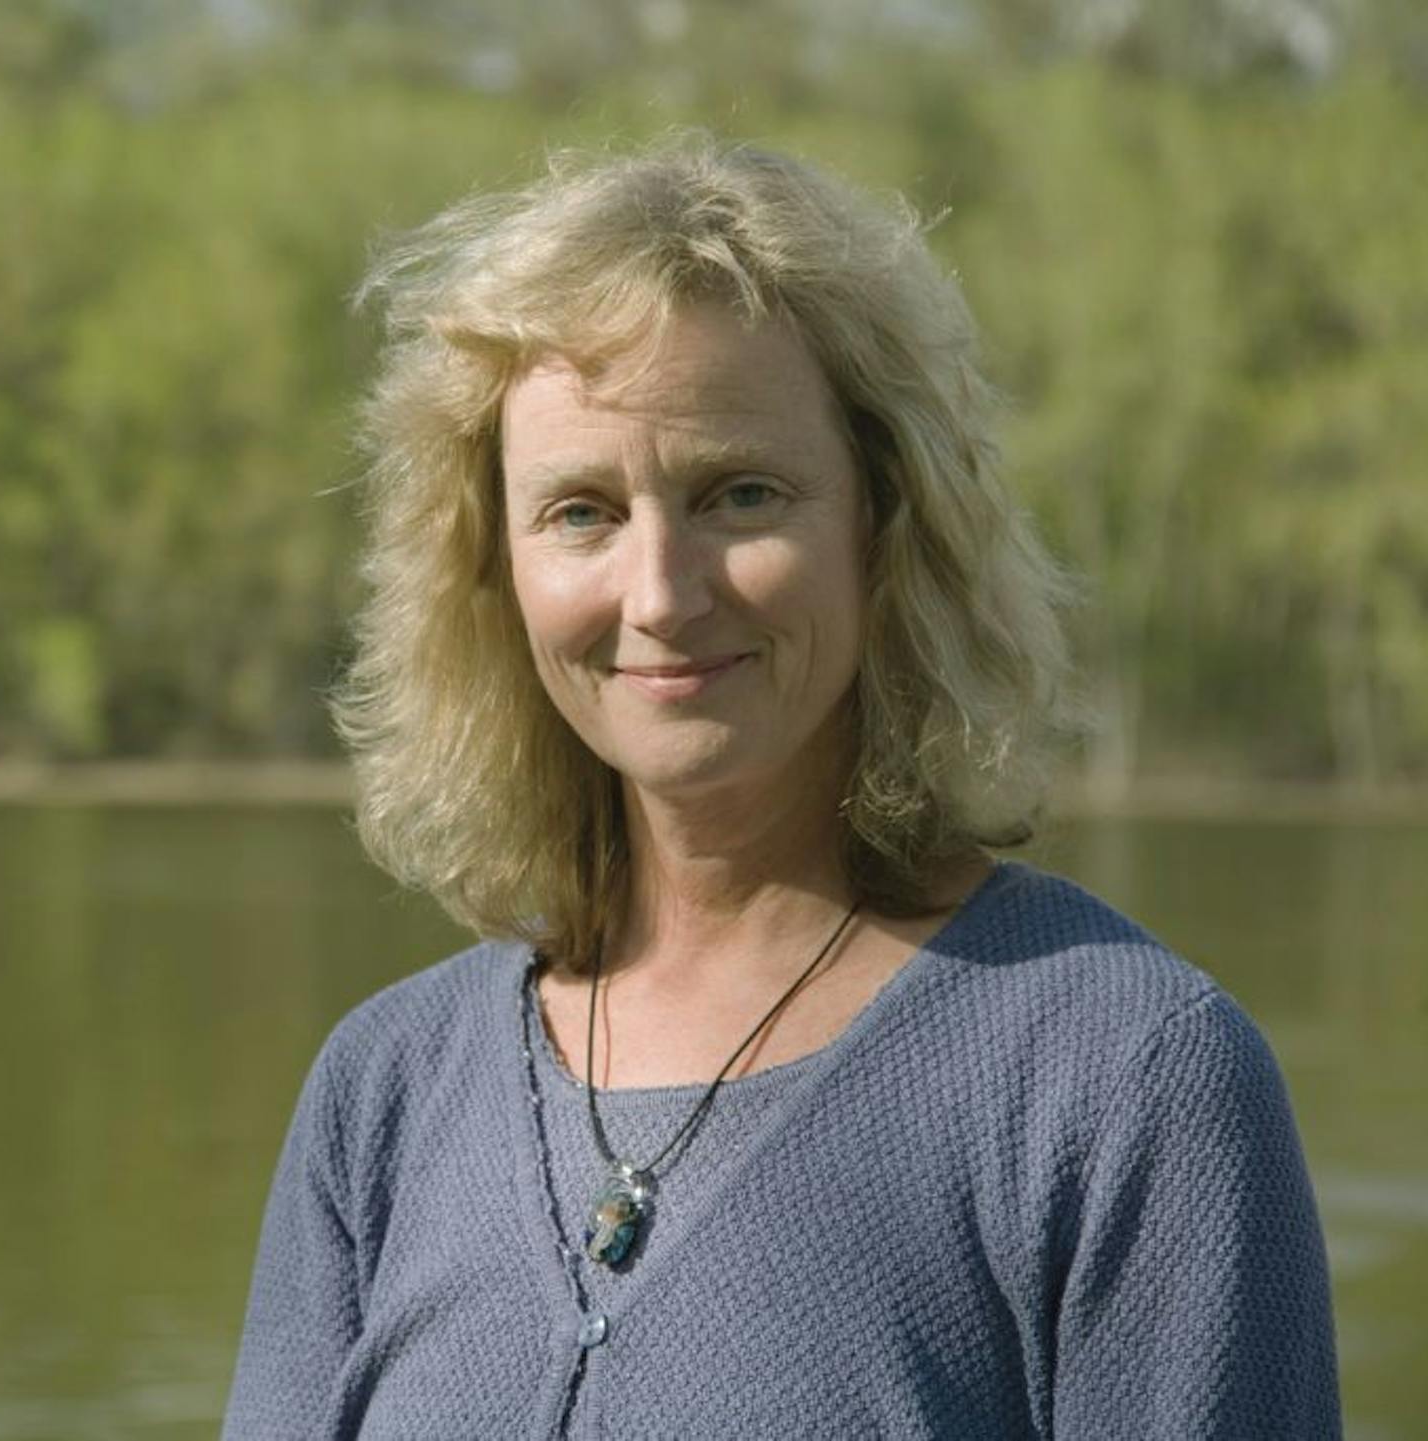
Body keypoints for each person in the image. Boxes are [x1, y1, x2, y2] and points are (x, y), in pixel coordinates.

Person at [223, 136, 1339, 1439]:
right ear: (492, 571)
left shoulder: (1126, 1080)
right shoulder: (382, 1094)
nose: (660, 593)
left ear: (887, 519)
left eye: (738, 493)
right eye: (581, 511)